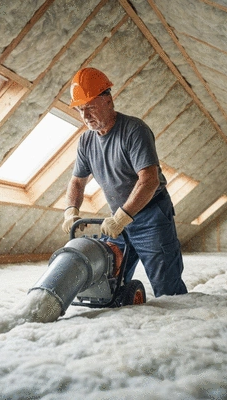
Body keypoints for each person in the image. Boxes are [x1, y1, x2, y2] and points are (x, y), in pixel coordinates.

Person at [62, 67, 187, 297]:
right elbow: (77, 183)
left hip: (151, 216)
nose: (86, 116)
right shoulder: (86, 142)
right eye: (81, 110)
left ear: (108, 100)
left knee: (168, 290)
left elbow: (148, 181)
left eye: (90, 107)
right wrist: (71, 210)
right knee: (106, 283)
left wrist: (122, 217)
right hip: (118, 220)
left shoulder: (134, 130)